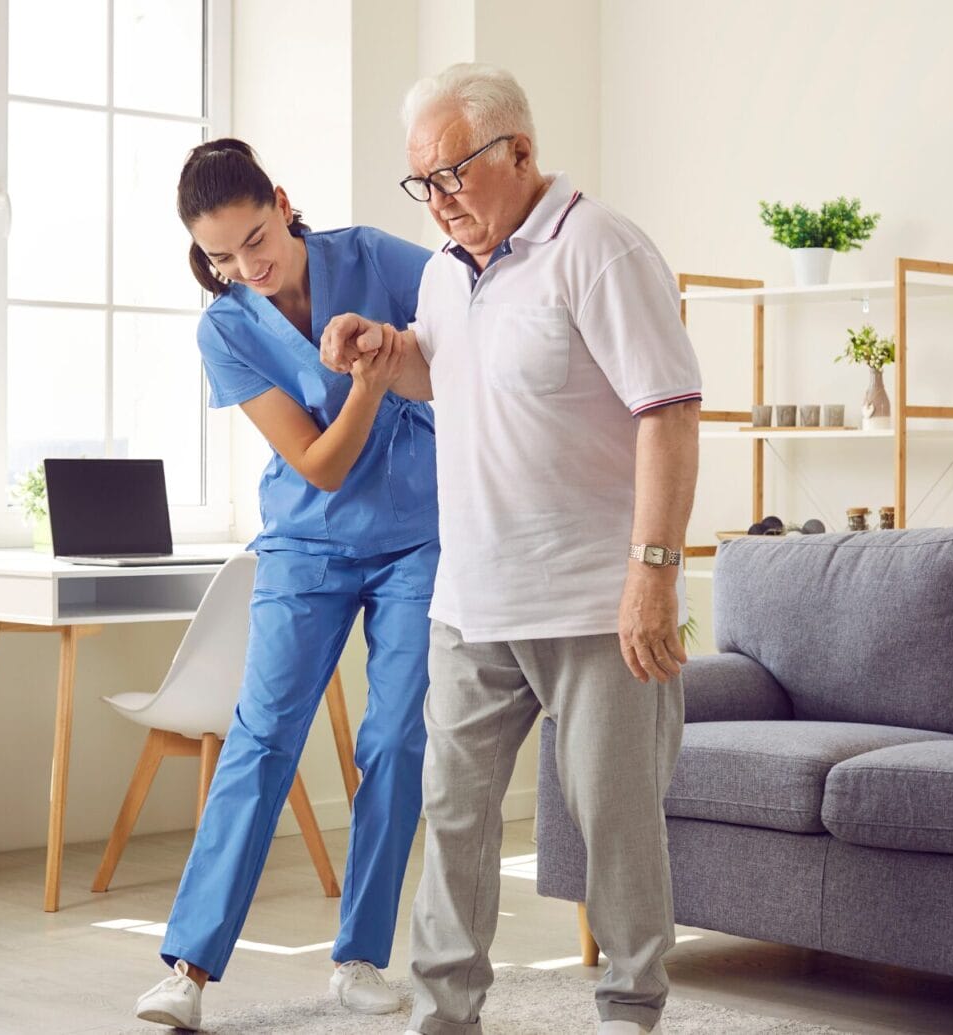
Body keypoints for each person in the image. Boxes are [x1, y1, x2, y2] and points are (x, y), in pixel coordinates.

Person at [321, 65, 701, 1035]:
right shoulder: (448, 272)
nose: (438, 203)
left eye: (451, 176)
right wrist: (383, 349)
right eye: (422, 185)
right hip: (472, 599)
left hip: (595, 604)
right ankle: (444, 1016)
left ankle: (629, 1011)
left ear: (518, 153)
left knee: (614, 825)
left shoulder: (601, 249)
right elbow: (442, 369)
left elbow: (669, 415)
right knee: (450, 817)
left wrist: (652, 576)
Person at [134, 138, 439, 1031]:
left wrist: (398, 353)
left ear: (282, 200)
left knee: (392, 740)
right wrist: (372, 388)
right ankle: (187, 968)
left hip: (418, 538)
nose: (248, 267)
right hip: (307, 543)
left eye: (256, 239)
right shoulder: (226, 326)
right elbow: (318, 462)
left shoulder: (377, 257)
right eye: (222, 256)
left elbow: (474, 304)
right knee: (262, 739)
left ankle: (360, 957)